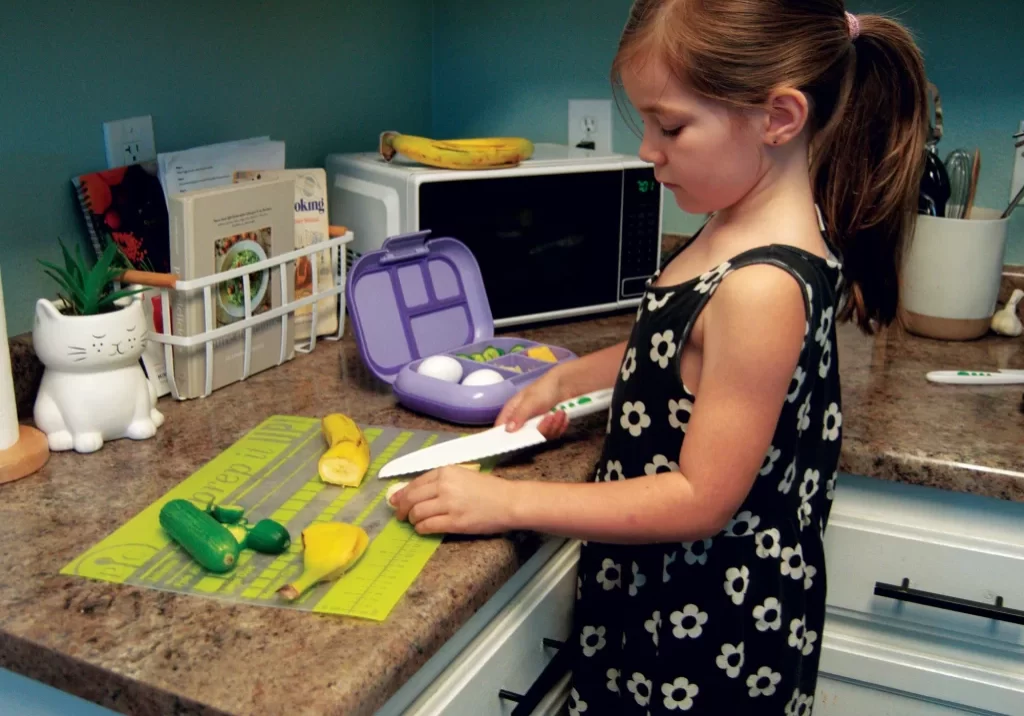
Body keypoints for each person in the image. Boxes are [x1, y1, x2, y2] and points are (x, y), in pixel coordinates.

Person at [391, 1, 928, 712]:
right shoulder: (734, 221)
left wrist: (507, 500)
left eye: (670, 125)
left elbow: (698, 498)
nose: (648, 149)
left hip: (703, 633)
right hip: (658, 597)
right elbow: (679, 342)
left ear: (779, 118)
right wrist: (570, 377)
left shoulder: (763, 287)